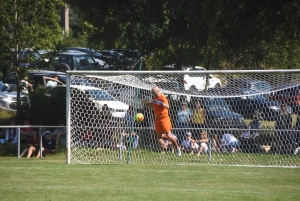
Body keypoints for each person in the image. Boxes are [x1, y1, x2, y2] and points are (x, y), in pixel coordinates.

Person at [143, 86, 181, 156]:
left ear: (158, 91)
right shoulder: (154, 97)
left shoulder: (163, 97)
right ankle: (173, 139)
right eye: (152, 93)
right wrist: (147, 104)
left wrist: (161, 103)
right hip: (157, 118)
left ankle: (177, 147)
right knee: (158, 135)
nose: (153, 94)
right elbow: (153, 106)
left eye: (154, 92)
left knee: (168, 134)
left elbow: (167, 106)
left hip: (164, 118)